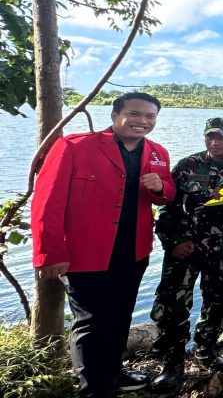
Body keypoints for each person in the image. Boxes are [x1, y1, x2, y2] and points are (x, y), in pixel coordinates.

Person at [31, 92, 175, 398]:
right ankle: (94, 388)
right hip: (85, 254)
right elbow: (47, 202)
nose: (142, 122)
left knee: (121, 314)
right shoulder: (74, 146)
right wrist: (49, 254)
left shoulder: (157, 152)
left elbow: (166, 195)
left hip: (133, 251)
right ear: (115, 115)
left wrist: (161, 187)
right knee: (92, 322)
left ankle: (114, 373)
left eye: (150, 116)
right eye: (135, 114)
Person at [150, 118, 223, 390]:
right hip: (185, 247)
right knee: (173, 301)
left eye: (222, 138)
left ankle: (206, 350)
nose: (215, 143)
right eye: (210, 137)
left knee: (220, 299)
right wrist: (174, 241)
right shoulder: (188, 165)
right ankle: (173, 361)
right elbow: (167, 207)